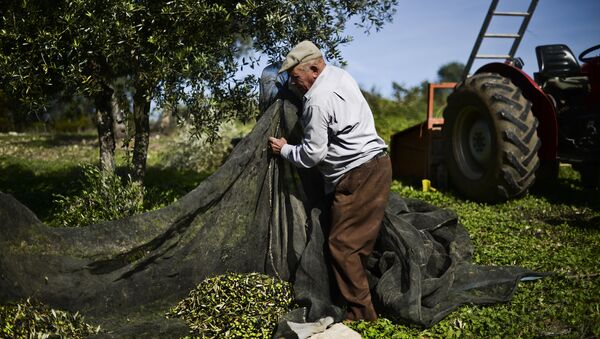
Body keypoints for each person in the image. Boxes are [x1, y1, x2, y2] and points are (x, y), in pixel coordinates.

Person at [268, 40, 392, 321]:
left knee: (342, 245)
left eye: (297, 78)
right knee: (356, 243)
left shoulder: (317, 100)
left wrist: (284, 149)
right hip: (377, 165)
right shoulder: (340, 74)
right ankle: (360, 296)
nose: (295, 84)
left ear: (313, 68)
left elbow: (312, 155)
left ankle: (362, 314)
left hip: (358, 175)